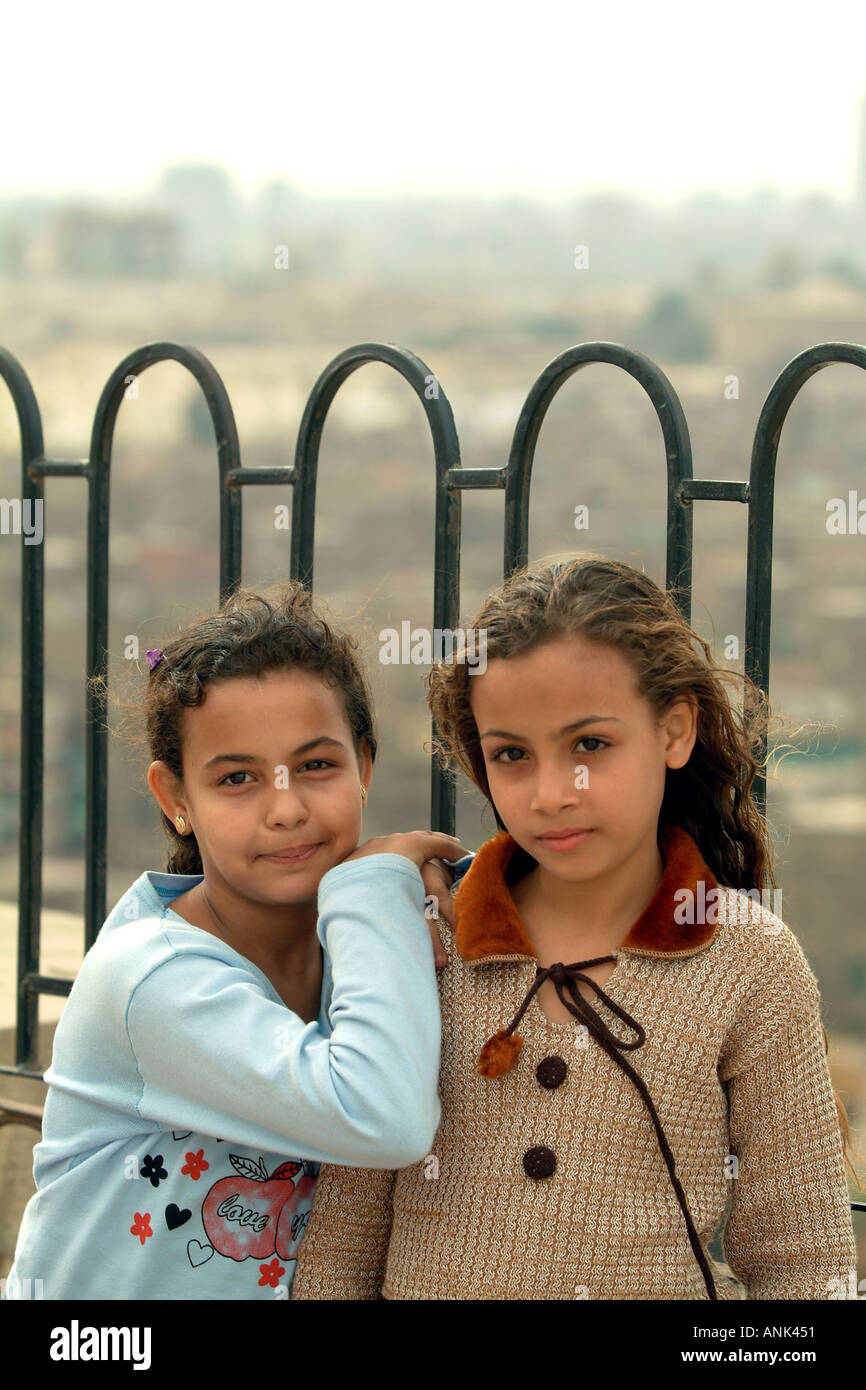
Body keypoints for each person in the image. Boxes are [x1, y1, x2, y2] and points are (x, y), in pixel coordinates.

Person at [291, 554, 863, 1301]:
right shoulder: (425, 939)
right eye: (512, 755)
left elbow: (806, 1269)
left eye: (590, 744)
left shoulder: (752, 964)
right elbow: (345, 1239)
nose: (553, 793)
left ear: (675, 729)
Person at [3, 582, 464, 1300]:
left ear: (365, 767)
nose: (285, 809)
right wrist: (373, 885)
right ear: (175, 798)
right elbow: (386, 1120)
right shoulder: (150, 981)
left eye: (316, 765)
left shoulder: (359, 946)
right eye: (237, 778)